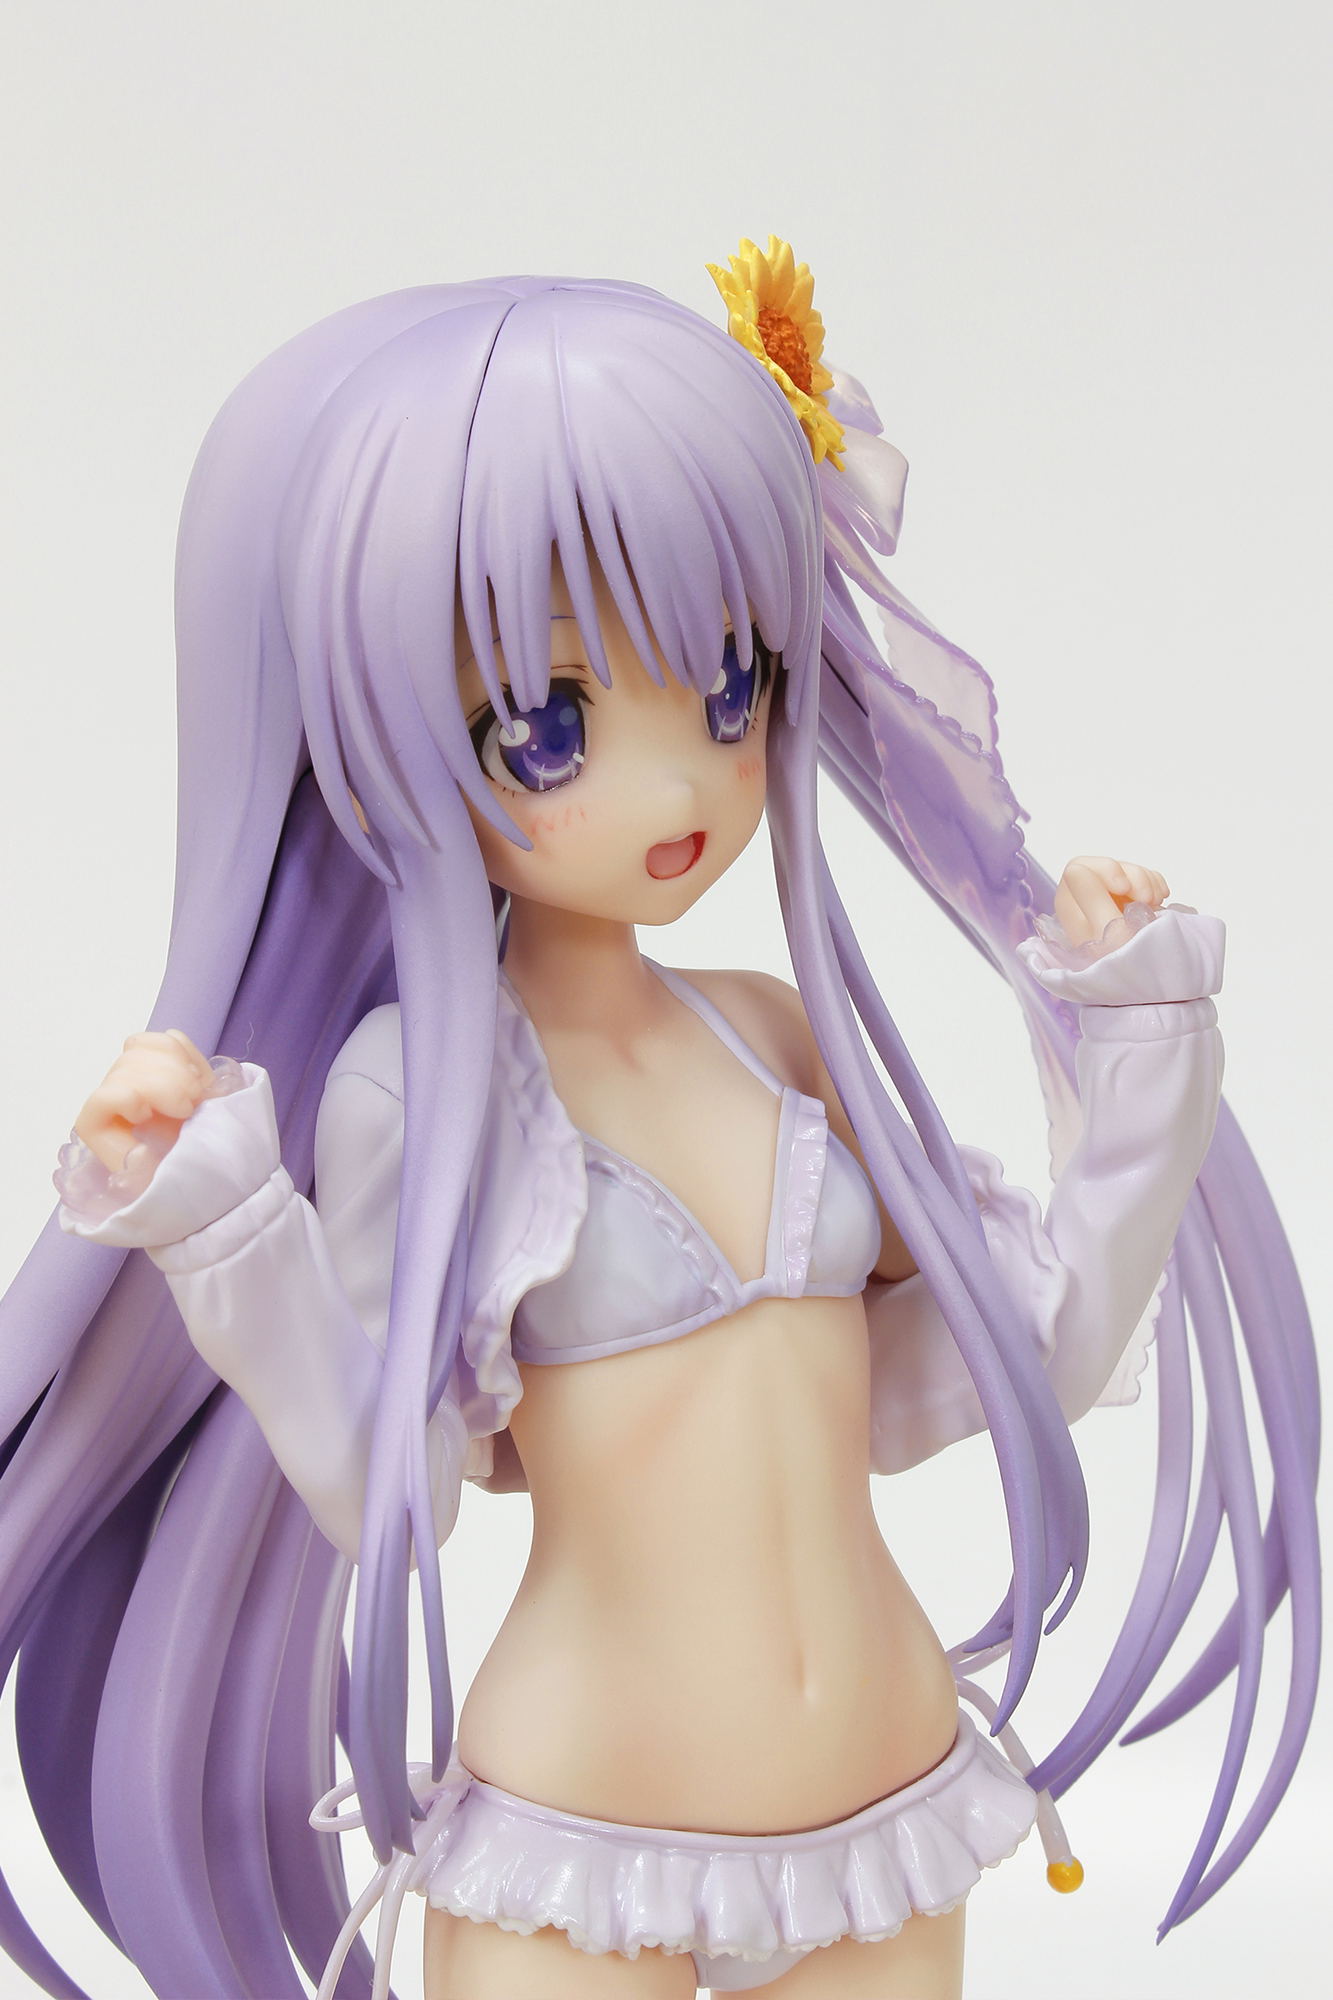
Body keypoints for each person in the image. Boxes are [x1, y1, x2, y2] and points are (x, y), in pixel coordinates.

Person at [0, 245, 1316, 2000]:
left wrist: (1144, 1040)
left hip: (882, 1800)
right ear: (374, 738)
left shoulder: (772, 1030)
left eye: (729, 687)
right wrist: (226, 1228)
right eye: (545, 723)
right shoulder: (415, 1090)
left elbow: (1036, 1351)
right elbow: (390, 1488)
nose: (685, 782)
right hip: (580, 1835)